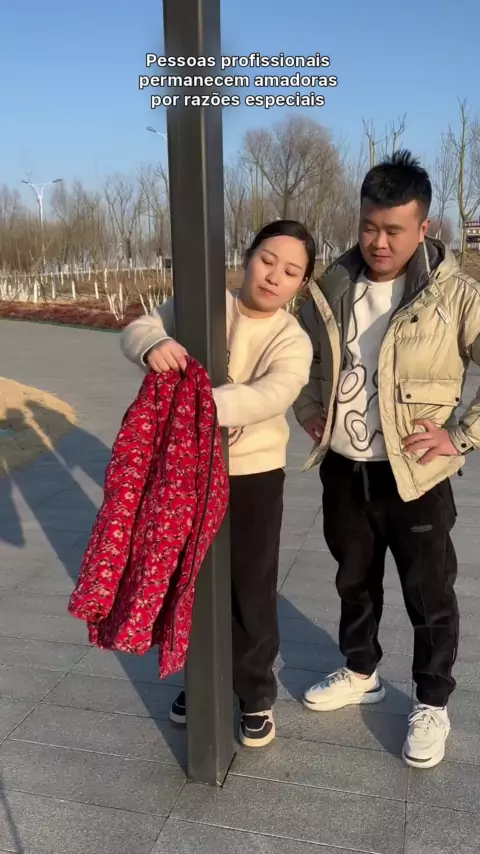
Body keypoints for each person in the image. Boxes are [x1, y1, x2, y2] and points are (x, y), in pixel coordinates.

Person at [293, 150, 480, 770]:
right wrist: (310, 408)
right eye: (369, 226)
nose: (378, 242)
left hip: (416, 476)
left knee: (429, 592)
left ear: (423, 227)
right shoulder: (330, 287)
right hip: (344, 468)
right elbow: (302, 358)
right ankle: (360, 670)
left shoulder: (454, 295)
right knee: (354, 581)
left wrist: (462, 435)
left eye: (394, 230)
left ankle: (432, 701)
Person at [120, 219, 314, 748]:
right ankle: (200, 679)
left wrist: (199, 404)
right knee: (191, 578)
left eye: (290, 271)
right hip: (188, 469)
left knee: (250, 585)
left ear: (301, 284)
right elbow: (139, 328)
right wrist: (154, 344)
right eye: (267, 260)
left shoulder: (291, 338)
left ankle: (254, 693)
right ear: (247, 258)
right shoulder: (207, 305)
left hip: (253, 474)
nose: (273, 276)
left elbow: (274, 394)